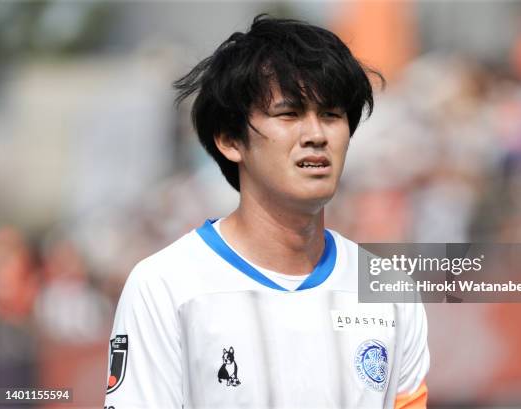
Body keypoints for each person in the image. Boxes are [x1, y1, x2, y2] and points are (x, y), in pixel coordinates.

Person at [104, 14, 429, 409]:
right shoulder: (165, 287)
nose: (316, 135)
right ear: (229, 139)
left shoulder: (388, 290)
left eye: (331, 115)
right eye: (289, 115)